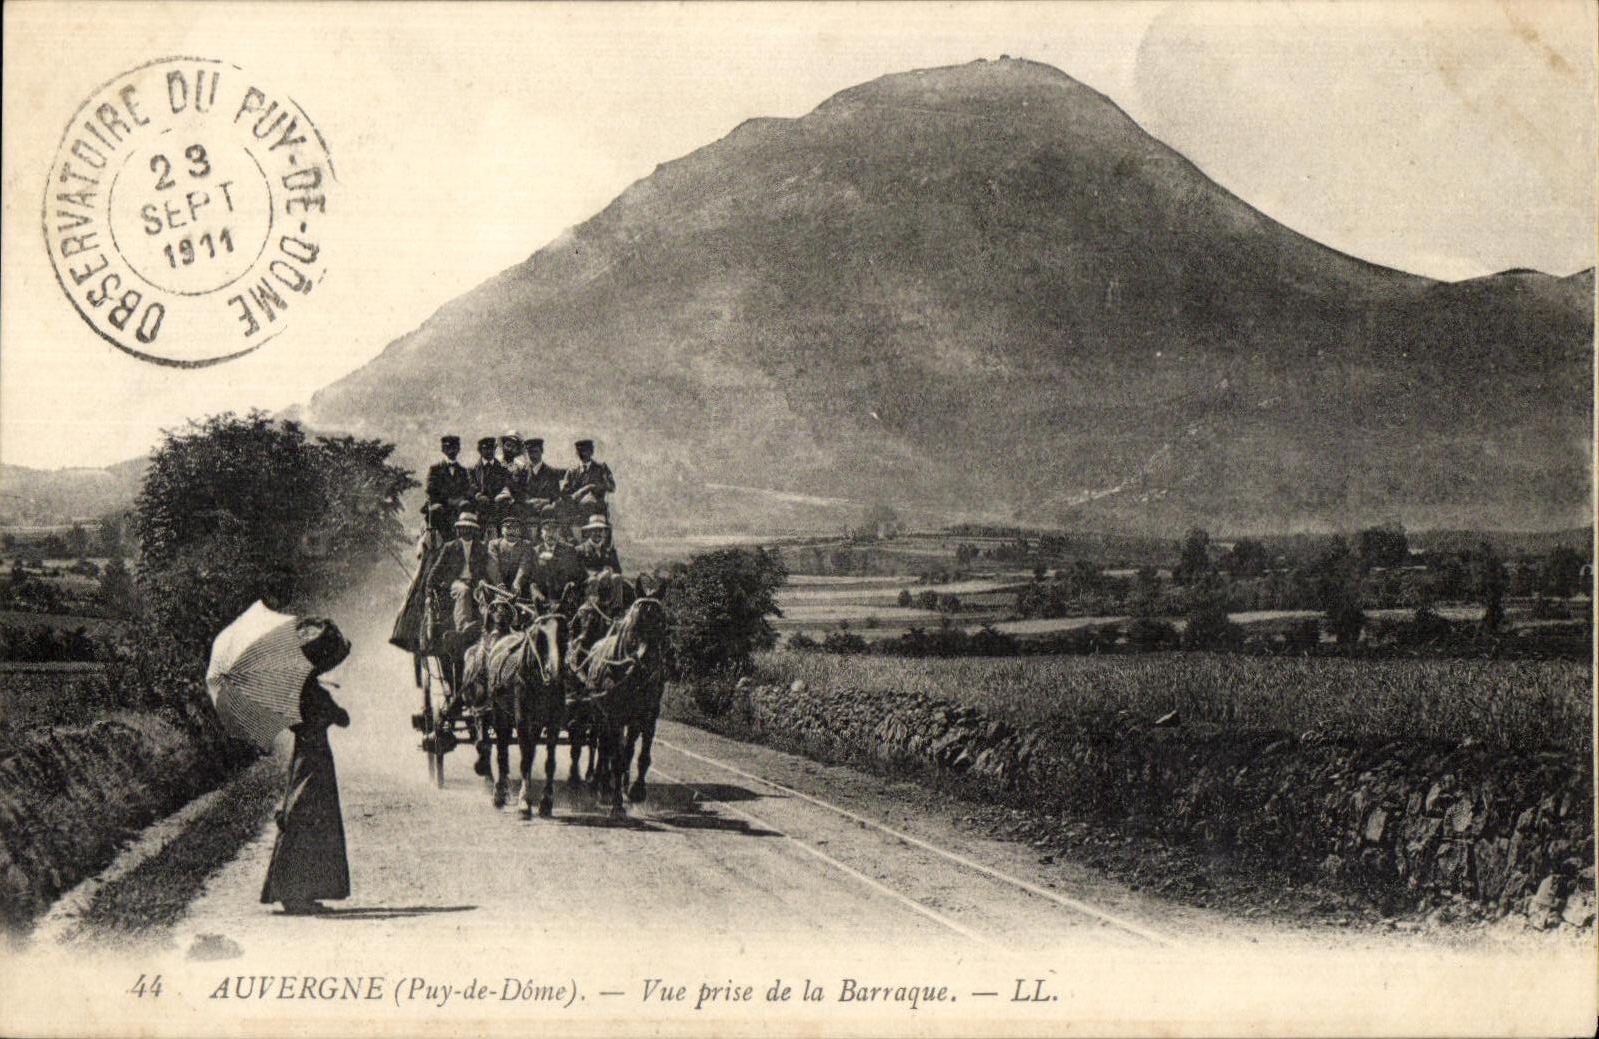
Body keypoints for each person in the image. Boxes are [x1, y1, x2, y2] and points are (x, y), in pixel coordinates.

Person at [261, 674, 351, 915]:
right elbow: (344, 719)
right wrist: (330, 709)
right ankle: (297, 893)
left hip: (301, 758)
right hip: (317, 760)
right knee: (310, 819)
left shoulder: (293, 694)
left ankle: (297, 892)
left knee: (299, 815)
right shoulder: (317, 694)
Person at [426, 511, 503, 636]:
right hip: (456, 583)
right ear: (459, 529)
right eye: (462, 528)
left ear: (473, 530)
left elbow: (490, 569)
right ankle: (463, 627)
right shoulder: (450, 547)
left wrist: (495, 585)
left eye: (468, 528)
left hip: (475, 582)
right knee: (464, 591)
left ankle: (488, 627)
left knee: (484, 594)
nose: (465, 531)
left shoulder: (481, 548)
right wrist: (429, 592)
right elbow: (436, 569)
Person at [517, 519, 586, 604]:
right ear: (541, 533)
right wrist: (534, 589)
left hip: (565, 599)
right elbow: (529, 578)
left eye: (554, 530)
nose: (550, 534)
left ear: (559, 533)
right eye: (547, 530)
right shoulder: (534, 552)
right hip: (541, 599)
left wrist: (572, 585)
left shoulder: (569, 550)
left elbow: (577, 574)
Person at [423, 435, 472, 538]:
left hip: (458, 506)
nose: (451, 451)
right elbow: (430, 489)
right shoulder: (435, 469)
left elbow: (467, 489)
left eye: (454, 448)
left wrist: (460, 500)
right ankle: (434, 545)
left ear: (458, 449)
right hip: (442, 506)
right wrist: (446, 500)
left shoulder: (463, 471)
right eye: (448, 448)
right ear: (443, 449)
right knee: (436, 512)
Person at [560, 438, 615, 521]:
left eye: (585, 450)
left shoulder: (601, 468)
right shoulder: (572, 471)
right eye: (579, 451)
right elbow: (564, 493)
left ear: (591, 451)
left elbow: (612, 487)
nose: (582, 454)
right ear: (576, 453)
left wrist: (593, 487)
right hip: (577, 512)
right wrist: (579, 494)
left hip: (596, 511)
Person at [468, 436, 513, 537]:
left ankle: (502, 539)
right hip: (480, 502)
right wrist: (478, 495)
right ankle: (478, 540)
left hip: (498, 501)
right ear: (480, 450)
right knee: (479, 513)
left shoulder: (503, 468)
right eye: (486, 449)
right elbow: (471, 484)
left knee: (504, 510)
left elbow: (507, 484)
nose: (489, 451)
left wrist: (501, 495)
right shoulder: (473, 469)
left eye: (492, 448)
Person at [516, 437, 564, 524]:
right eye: (530, 452)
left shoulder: (551, 473)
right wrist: (528, 501)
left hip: (544, 506)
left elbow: (556, 495)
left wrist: (545, 501)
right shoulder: (523, 472)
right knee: (517, 509)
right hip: (528, 506)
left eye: (535, 452)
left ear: (542, 451)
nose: (532, 455)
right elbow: (519, 493)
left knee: (549, 510)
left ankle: (543, 536)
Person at [488, 515, 535, 597]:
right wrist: (499, 584)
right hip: (497, 585)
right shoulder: (494, 544)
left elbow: (524, 565)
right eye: (508, 528)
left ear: (520, 531)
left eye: (515, 528)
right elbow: (493, 565)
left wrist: (517, 582)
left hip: (520, 586)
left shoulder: (526, 545)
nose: (512, 531)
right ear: (502, 530)